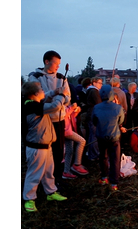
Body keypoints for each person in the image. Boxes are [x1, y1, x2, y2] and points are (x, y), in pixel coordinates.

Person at [21, 81, 68, 212]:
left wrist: (54, 92)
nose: (43, 91)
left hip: (45, 146)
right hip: (36, 147)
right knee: (34, 173)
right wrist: (62, 95)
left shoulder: (33, 104)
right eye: (41, 89)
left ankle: (51, 192)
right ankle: (29, 199)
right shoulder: (31, 106)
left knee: (48, 172)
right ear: (35, 94)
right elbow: (54, 106)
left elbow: (46, 98)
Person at [28, 50, 71, 184]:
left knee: (59, 152)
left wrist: (61, 99)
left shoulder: (62, 78)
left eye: (59, 64)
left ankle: (56, 180)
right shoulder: (35, 77)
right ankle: (42, 181)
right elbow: (38, 97)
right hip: (45, 120)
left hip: (60, 119)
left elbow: (68, 98)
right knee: (45, 153)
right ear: (47, 62)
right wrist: (55, 94)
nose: (58, 67)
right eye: (55, 63)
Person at [92, 84, 126, 191]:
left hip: (101, 136)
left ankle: (104, 178)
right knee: (115, 159)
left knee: (103, 157)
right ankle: (114, 183)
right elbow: (121, 121)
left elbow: (94, 122)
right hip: (114, 137)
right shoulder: (118, 108)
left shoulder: (96, 107)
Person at [62, 102, 88, 179]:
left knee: (69, 150)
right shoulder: (60, 107)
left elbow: (70, 117)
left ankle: (66, 171)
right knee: (82, 141)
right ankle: (77, 164)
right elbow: (63, 116)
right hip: (66, 131)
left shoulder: (66, 107)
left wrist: (76, 111)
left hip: (69, 130)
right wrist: (72, 108)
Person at [86, 77, 103, 161]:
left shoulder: (90, 90)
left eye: (101, 83)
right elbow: (99, 103)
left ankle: (91, 153)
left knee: (91, 135)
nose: (101, 85)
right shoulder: (94, 91)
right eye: (99, 83)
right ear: (94, 83)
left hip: (90, 114)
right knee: (94, 135)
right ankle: (94, 154)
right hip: (94, 115)